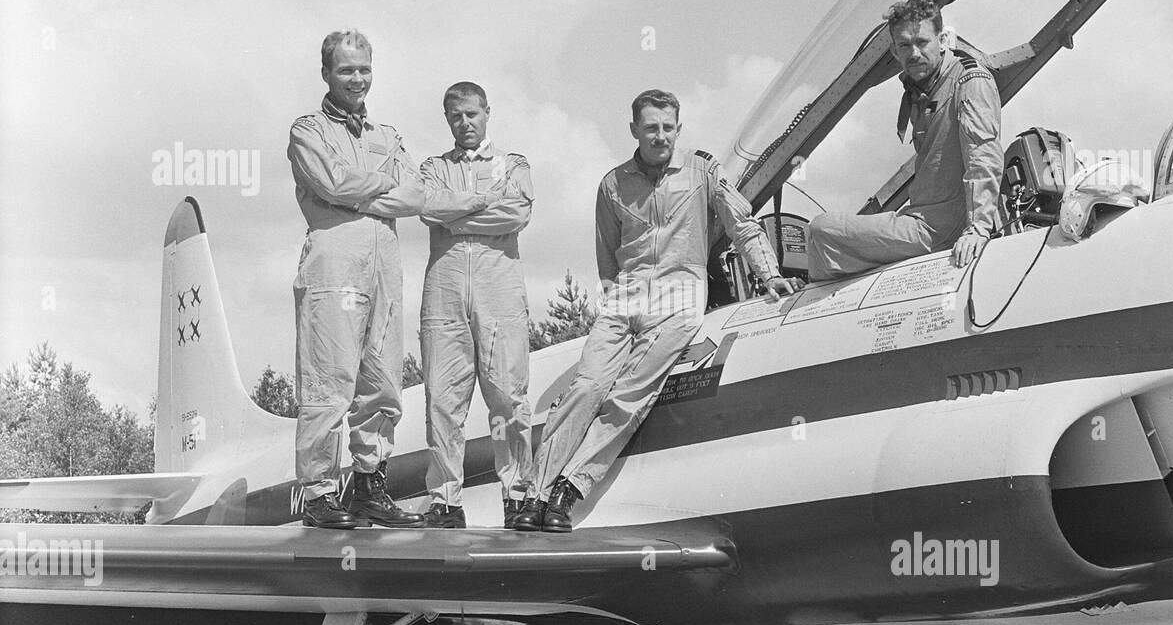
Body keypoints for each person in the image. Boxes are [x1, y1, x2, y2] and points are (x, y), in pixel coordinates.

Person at [515, 89, 796, 534]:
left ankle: (568, 490)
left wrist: (769, 273)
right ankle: (533, 493)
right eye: (651, 127)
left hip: (680, 299)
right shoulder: (612, 184)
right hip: (625, 299)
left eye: (668, 127)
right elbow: (607, 253)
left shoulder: (702, 171)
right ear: (634, 131)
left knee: (627, 396)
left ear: (678, 129)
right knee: (585, 388)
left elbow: (741, 222)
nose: (660, 135)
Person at [288, 30, 489, 529]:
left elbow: (417, 194)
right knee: (329, 380)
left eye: (364, 69)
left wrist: (360, 194)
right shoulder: (307, 130)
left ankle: (368, 485)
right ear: (326, 74)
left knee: (382, 382)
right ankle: (318, 493)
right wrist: (381, 188)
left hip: (383, 266)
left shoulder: (388, 135)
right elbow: (329, 181)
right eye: (346, 70)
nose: (357, 79)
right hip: (335, 264)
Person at [806, 0, 1003, 279]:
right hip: (923, 219)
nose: (913, 53)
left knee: (821, 229)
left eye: (922, 42)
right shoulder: (924, 88)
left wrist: (978, 230)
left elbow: (982, 158)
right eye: (904, 45)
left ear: (942, 40)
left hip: (935, 229)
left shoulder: (969, 82)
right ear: (893, 51)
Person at [419, 82, 534, 528]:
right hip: (444, 293)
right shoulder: (432, 167)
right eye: (455, 117)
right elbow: (428, 209)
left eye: (471, 114)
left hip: (499, 291)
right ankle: (445, 499)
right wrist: (485, 201)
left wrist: (458, 215)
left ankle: (519, 494)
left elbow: (517, 213)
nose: (464, 123)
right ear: (447, 119)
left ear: (487, 112)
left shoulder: (514, 163)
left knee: (507, 396)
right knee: (443, 400)